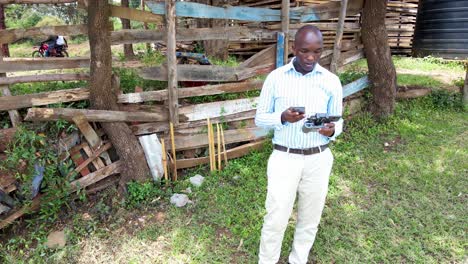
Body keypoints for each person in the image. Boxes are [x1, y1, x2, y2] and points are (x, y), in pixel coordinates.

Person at [255, 25, 343, 264]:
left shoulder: (331, 81)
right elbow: (260, 118)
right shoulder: (276, 78)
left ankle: (298, 259)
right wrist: (282, 117)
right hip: (285, 158)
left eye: (317, 51)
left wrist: (332, 130)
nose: (311, 57)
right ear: (294, 49)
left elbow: (338, 119)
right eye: (304, 51)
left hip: (319, 158)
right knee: (276, 217)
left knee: (310, 217)